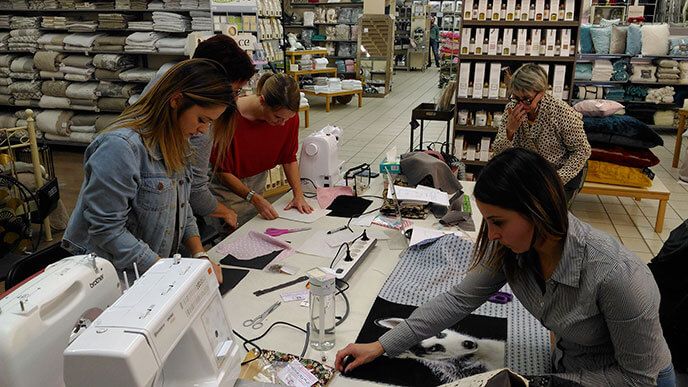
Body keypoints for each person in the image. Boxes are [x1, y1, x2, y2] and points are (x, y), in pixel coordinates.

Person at [335, 148, 675, 386]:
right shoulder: (515, 250)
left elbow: (636, 378)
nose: (492, 234)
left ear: (537, 211)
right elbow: (457, 300)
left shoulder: (619, 277)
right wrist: (383, 344)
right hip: (566, 365)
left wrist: (541, 384)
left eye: (499, 221)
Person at [62, 59, 234, 284]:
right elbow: (107, 230)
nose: (203, 130)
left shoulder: (177, 141)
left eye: (210, 123)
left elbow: (181, 206)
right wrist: (165, 271)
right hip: (109, 277)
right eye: (202, 120)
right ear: (176, 100)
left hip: (149, 269)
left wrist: (200, 254)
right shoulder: (120, 148)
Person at [141, 35, 256, 231]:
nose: (234, 99)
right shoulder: (197, 123)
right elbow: (193, 190)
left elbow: (184, 192)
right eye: (235, 90)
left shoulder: (165, 81)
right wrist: (225, 212)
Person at [210, 73, 313, 225]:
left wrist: (298, 195)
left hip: (258, 180)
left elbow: (289, 158)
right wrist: (253, 197)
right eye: (278, 117)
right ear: (262, 101)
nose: (283, 124)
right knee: (230, 232)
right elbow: (222, 171)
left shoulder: (288, 118)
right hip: (227, 187)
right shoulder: (228, 117)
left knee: (254, 225)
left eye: (288, 118)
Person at [494, 63, 591, 203]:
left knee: (546, 215)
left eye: (527, 99)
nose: (520, 105)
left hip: (561, 173)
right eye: (516, 98)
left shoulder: (561, 112)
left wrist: (556, 180)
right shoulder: (511, 109)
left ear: (541, 92)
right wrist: (510, 131)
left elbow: (582, 150)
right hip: (531, 174)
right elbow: (498, 153)